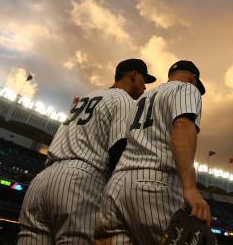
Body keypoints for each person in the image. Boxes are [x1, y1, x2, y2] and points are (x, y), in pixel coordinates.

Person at [18, 59, 156, 245]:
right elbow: (119, 150)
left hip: (41, 181)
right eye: (143, 79)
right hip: (80, 180)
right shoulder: (124, 100)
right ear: (133, 74)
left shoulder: (86, 98)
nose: (145, 86)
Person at [95, 60, 210, 244]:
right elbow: (182, 125)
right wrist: (190, 187)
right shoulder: (187, 88)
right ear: (192, 78)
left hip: (117, 186)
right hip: (156, 184)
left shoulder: (141, 98)